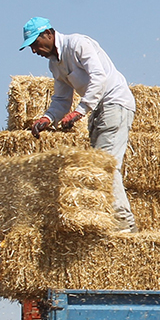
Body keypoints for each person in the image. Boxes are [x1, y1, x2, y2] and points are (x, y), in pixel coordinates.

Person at [21, 17, 138, 233]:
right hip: (98, 109)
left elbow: (99, 77)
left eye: (35, 43)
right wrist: (47, 118)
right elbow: (61, 99)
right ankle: (111, 222)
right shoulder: (54, 64)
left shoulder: (77, 44)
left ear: (49, 34)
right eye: (31, 47)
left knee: (105, 165)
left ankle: (125, 224)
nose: (34, 50)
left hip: (114, 103)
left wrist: (79, 111)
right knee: (96, 167)